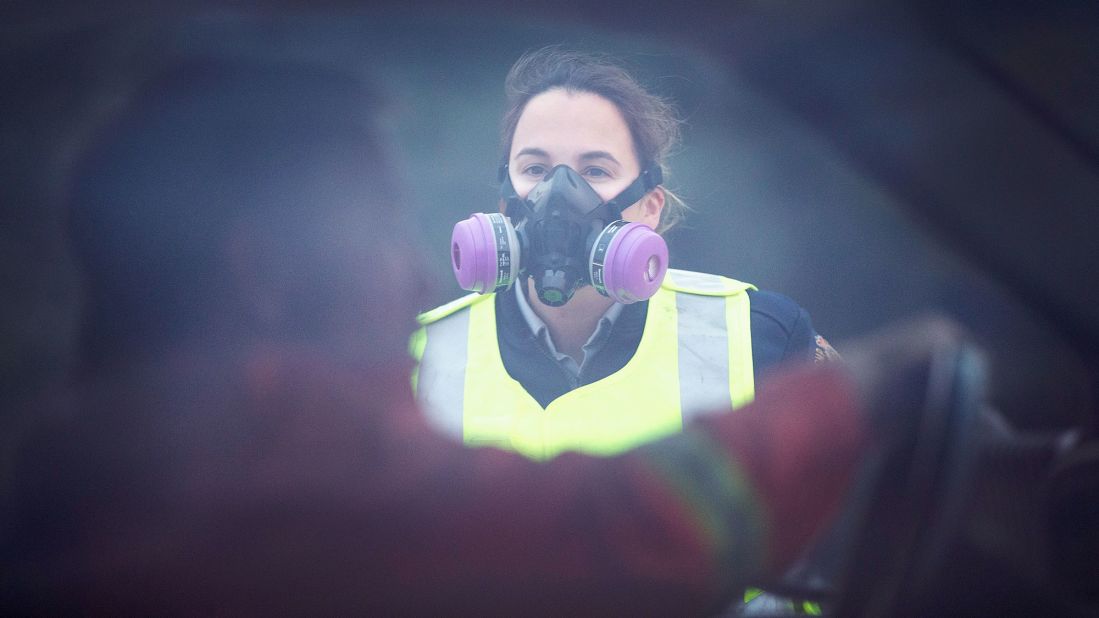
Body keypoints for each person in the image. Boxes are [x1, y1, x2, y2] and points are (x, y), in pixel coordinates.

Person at [2, 36, 942, 615]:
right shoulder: (264, 460)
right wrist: (869, 384)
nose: (413, 277)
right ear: (267, 273)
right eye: (378, 234)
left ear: (650, 208)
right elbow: (620, 539)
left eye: (596, 168)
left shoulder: (100, 470)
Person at [414, 48, 841, 462]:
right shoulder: (419, 357)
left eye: (596, 171)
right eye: (535, 170)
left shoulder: (760, 338)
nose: (557, 195)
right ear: (505, 200)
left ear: (650, 206)